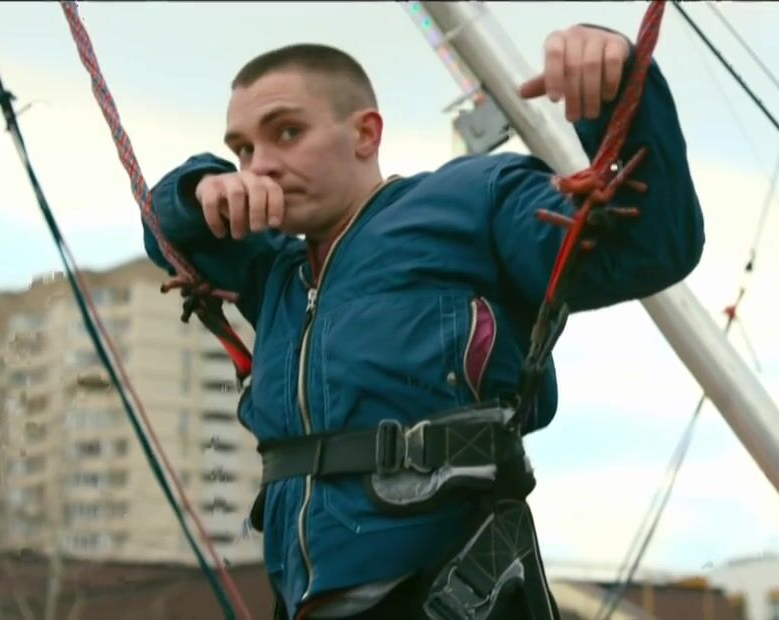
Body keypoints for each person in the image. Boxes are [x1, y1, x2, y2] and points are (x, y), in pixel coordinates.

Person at [140, 21, 703, 620]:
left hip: (457, 594)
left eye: (287, 133)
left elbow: (650, 245)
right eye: (244, 150)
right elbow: (164, 232)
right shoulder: (274, 272)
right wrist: (198, 189)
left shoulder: (473, 200)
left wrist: (622, 89)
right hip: (303, 601)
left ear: (366, 133)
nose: (261, 167)